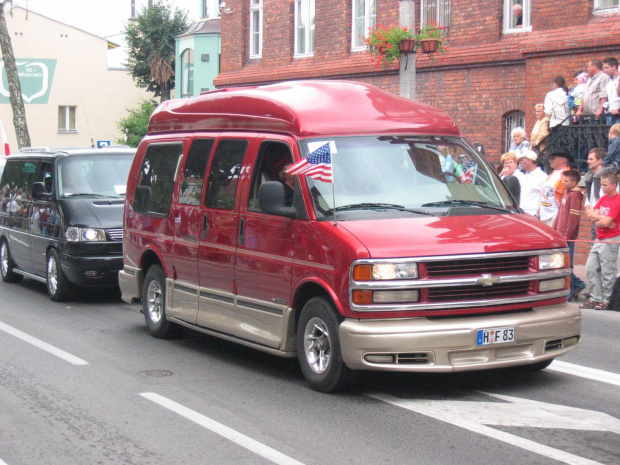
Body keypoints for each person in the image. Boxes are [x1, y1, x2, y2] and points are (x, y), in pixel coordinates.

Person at [582, 171, 620, 310]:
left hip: (611, 239)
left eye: (605, 185)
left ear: (614, 185)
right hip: (599, 238)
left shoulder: (617, 200)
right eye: (601, 184)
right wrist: (599, 219)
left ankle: (606, 300)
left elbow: (606, 222)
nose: (602, 187)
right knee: (590, 267)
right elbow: (590, 214)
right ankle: (595, 297)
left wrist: (597, 219)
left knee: (607, 270)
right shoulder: (603, 199)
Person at [553, 170, 585, 301]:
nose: (563, 183)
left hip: (567, 236)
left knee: (568, 264)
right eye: (562, 180)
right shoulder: (566, 192)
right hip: (560, 233)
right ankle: (578, 284)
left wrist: (568, 234)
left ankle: (571, 290)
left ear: (574, 182)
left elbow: (573, 218)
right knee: (564, 263)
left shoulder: (575, 195)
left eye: (566, 181)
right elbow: (560, 212)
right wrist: (554, 228)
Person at [539, 151, 572, 226]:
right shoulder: (553, 173)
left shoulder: (568, 175)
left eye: (553, 158)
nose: (550, 160)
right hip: (544, 216)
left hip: (555, 216)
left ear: (562, 160)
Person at [583, 148, 605, 239]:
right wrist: (587, 208)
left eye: (591, 159)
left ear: (600, 160)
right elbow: (589, 196)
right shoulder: (591, 177)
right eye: (588, 159)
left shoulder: (606, 177)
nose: (588, 161)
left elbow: (605, 200)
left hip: (602, 219)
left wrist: (595, 215)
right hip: (594, 217)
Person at [518, 149, 547, 216]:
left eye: (522, 160)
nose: (520, 162)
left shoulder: (542, 176)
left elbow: (544, 197)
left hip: (533, 215)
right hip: (523, 213)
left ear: (529, 161)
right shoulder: (525, 175)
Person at [602, 57, 620, 125]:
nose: (604, 70)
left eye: (606, 67)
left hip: (618, 114)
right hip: (610, 114)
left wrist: (618, 109)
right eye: (604, 68)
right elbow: (610, 98)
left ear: (614, 67)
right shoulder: (609, 82)